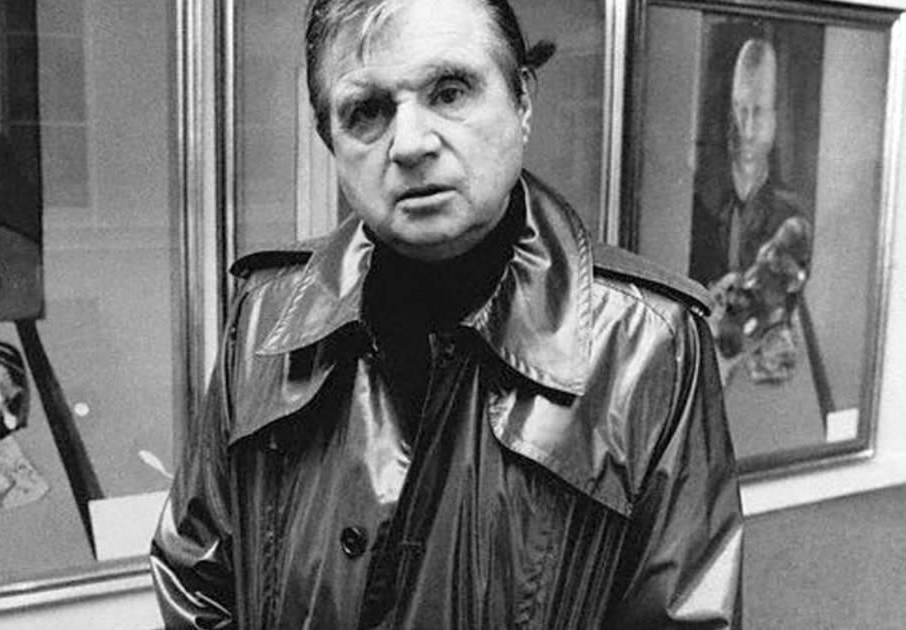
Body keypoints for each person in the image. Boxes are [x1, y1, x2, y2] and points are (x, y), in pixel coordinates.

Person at [150, 0, 743, 627]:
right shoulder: (267, 313)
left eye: (450, 92)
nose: (410, 144)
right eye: (367, 111)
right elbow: (196, 574)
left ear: (522, 102)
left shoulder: (650, 343)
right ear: (331, 141)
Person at [689, 38, 812, 382]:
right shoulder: (696, 204)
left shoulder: (793, 219)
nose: (746, 128)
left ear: (775, 119)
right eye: (739, 109)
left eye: (758, 111)